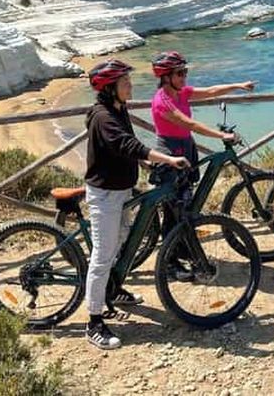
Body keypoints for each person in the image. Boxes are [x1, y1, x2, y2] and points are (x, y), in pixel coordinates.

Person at [84, 59, 190, 350]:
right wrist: (166, 158)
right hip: (105, 194)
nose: (130, 85)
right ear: (109, 88)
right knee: (102, 255)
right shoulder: (102, 116)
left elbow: (126, 144)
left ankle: (112, 290)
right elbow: (126, 144)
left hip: (122, 188)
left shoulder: (119, 108)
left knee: (120, 242)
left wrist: (144, 162)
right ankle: (93, 321)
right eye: (125, 82)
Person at [150, 51, 256, 278]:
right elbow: (189, 123)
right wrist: (221, 136)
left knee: (186, 206)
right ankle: (169, 263)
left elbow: (211, 91)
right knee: (174, 211)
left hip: (186, 148)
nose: (184, 77)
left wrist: (239, 85)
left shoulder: (182, 93)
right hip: (170, 153)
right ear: (166, 77)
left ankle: (184, 250)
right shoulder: (163, 101)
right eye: (179, 73)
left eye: (185, 72)